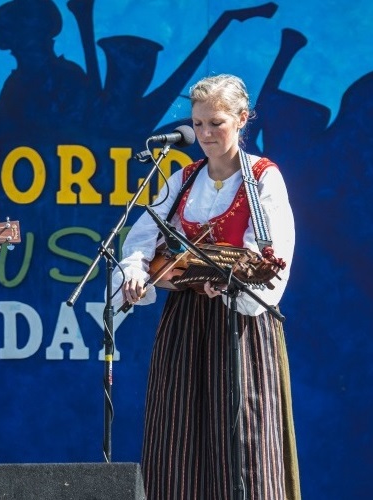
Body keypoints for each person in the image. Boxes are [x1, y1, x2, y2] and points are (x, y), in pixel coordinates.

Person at [112, 74, 300, 499]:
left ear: (242, 119)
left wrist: (230, 284)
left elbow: (268, 252)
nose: (205, 134)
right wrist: (137, 273)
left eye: (216, 122)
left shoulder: (263, 179)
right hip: (185, 323)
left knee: (245, 441)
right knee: (175, 439)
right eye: (198, 124)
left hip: (242, 327)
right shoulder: (182, 179)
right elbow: (140, 239)